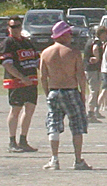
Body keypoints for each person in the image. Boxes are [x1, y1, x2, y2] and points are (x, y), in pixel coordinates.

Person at [39, 20, 91, 170]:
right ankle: (78, 160)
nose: (70, 36)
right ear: (61, 35)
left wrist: (47, 92)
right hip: (71, 90)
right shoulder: (73, 53)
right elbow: (80, 75)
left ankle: (54, 159)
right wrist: (83, 93)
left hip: (54, 91)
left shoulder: (46, 53)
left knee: (53, 125)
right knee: (77, 126)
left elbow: (43, 76)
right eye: (68, 33)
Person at [0, 17, 43, 153]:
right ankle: (12, 141)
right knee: (15, 110)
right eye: (13, 27)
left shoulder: (27, 42)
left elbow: (37, 61)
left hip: (31, 82)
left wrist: (46, 73)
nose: (16, 29)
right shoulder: (8, 43)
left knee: (29, 110)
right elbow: (7, 64)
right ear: (8, 28)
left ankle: (23, 140)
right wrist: (22, 77)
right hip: (16, 82)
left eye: (18, 26)